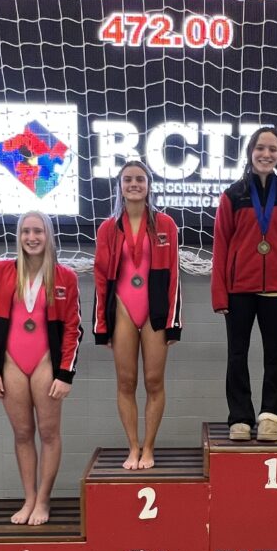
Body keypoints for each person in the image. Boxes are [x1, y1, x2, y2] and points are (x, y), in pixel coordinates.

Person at [0, 211, 82, 525]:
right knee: (23, 433)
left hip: (45, 363)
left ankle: (43, 499)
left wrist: (65, 374)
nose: (32, 237)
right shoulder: (0, 271)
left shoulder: (65, 277)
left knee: (49, 433)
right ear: (19, 235)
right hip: (11, 362)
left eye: (38, 231)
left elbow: (72, 328)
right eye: (26, 231)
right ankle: (29, 498)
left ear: (48, 235)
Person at [211, 126, 277, 442]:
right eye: (261, 148)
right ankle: (240, 417)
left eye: (273, 149)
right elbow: (221, 246)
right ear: (250, 152)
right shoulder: (233, 195)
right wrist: (219, 294)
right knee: (236, 354)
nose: (266, 154)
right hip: (238, 290)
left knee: (274, 354)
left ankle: (271, 417)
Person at [93, 160, 182, 469]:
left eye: (140, 179)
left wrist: (173, 323)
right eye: (128, 179)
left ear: (148, 186)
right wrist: (101, 326)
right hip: (122, 310)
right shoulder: (108, 228)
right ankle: (133, 447)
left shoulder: (165, 224)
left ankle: (149, 447)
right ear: (120, 186)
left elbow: (174, 276)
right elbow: (101, 279)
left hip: (154, 310)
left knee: (154, 381)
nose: (134, 184)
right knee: (126, 382)